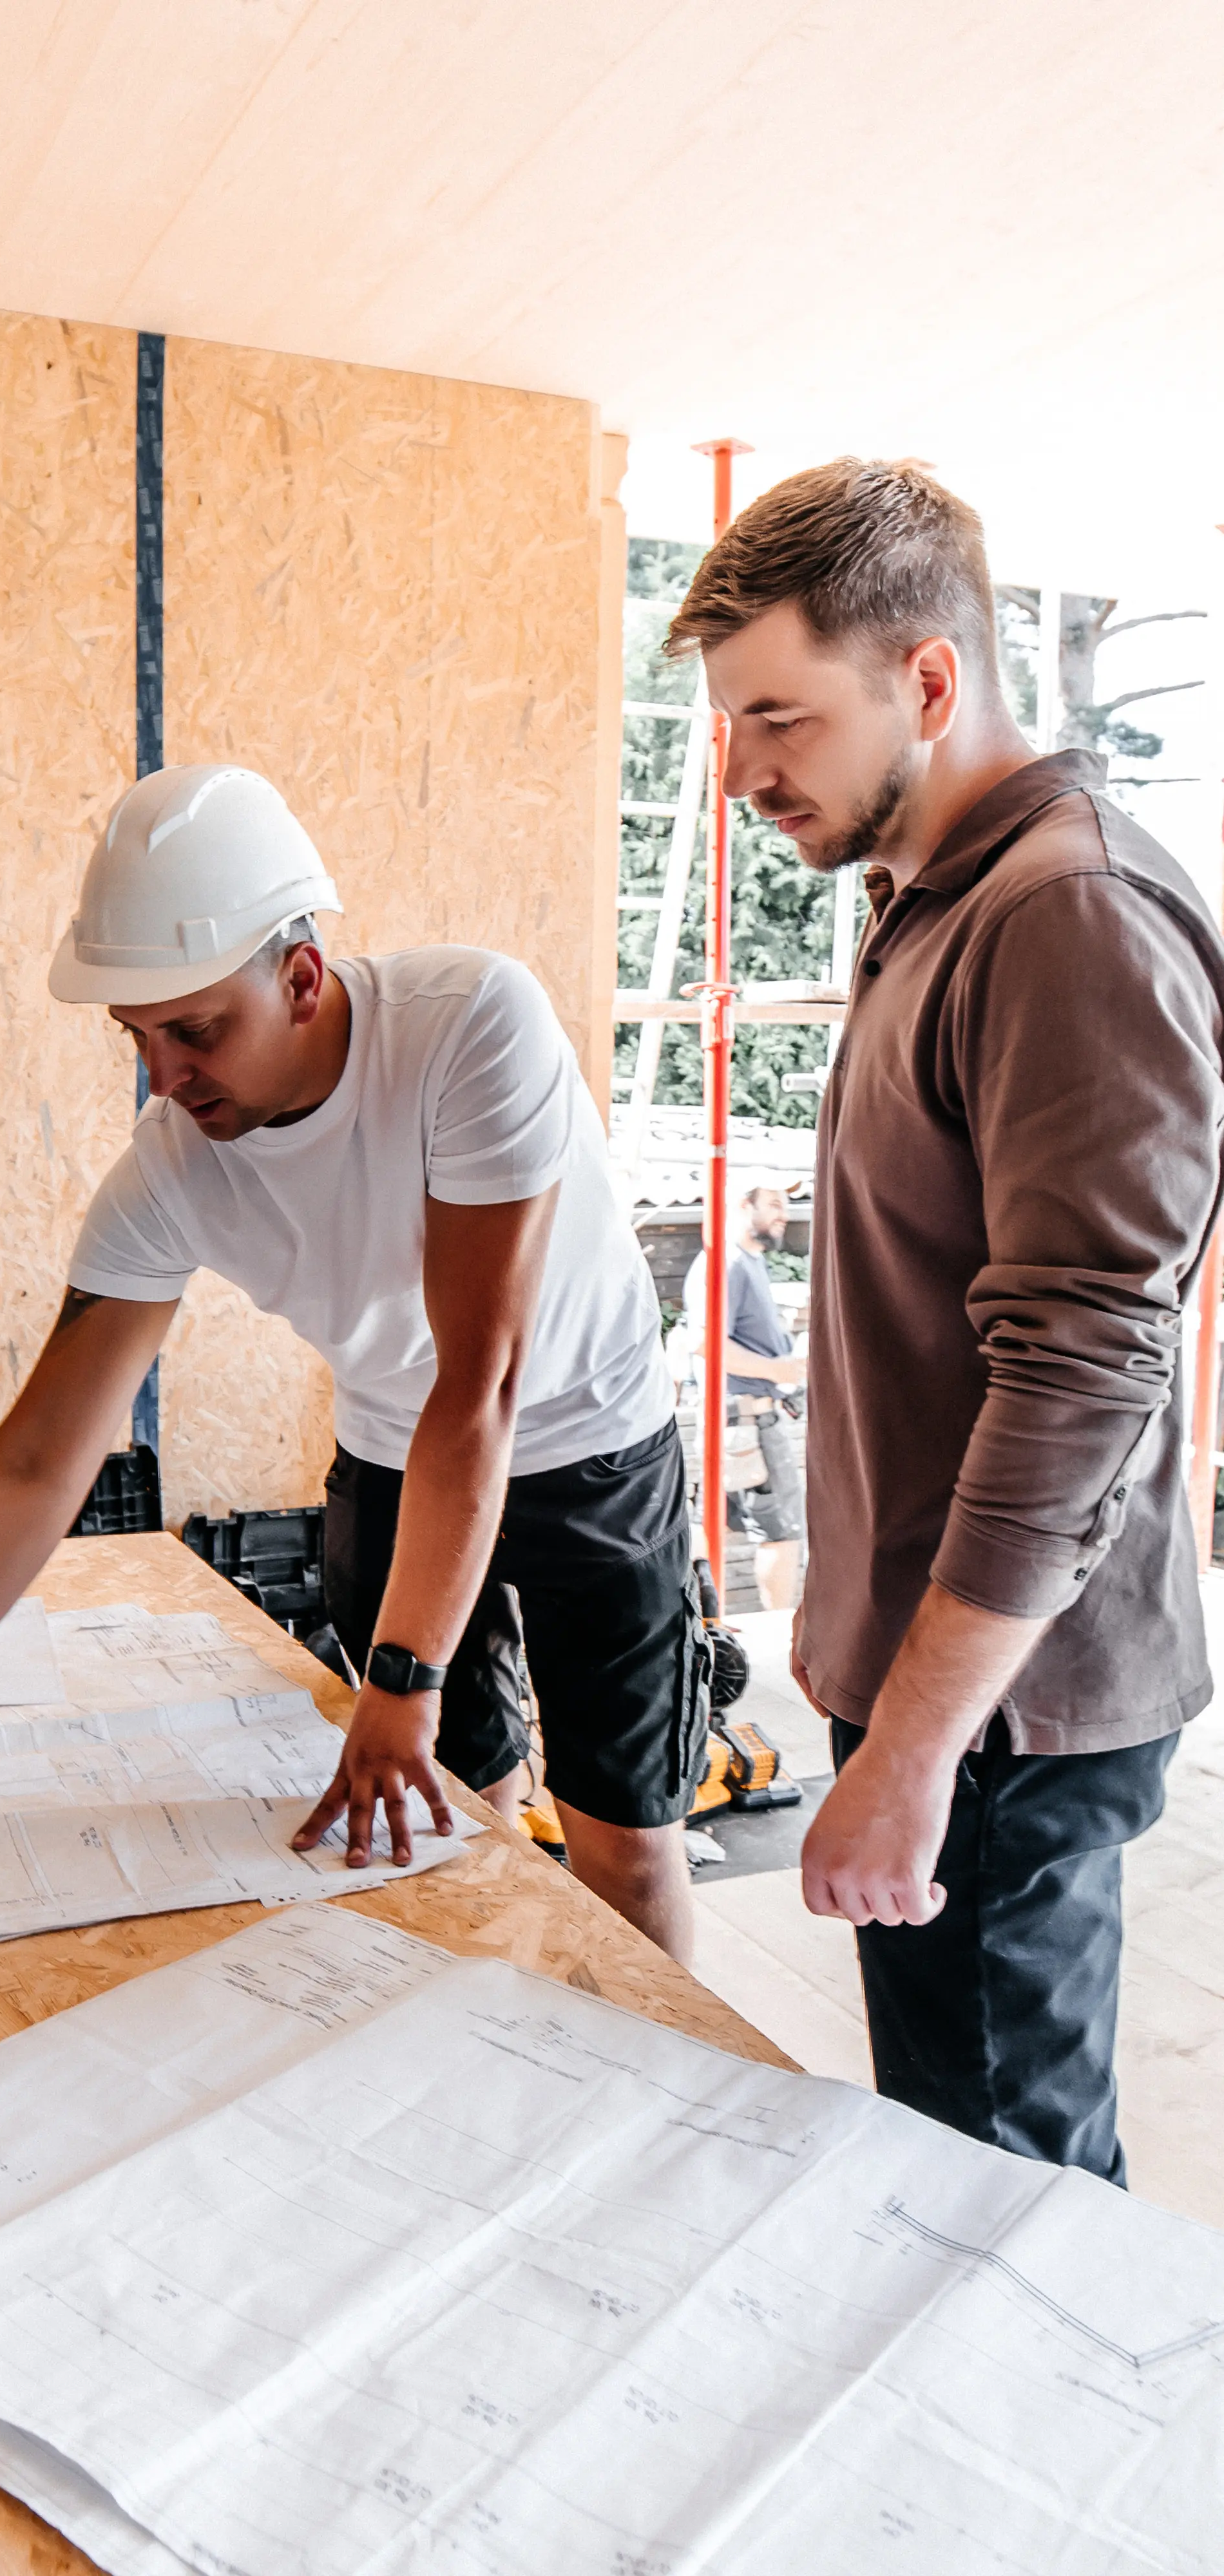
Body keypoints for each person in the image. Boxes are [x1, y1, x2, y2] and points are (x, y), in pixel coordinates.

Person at [0, 765, 712, 1961]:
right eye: (138, 1038)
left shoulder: (473, 1026)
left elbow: (483, 1386)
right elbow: (33, 1465)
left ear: (300, 977)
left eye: (196, 1030)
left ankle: (697, 2109)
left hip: (588, 1442)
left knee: (621, 1842)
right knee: (456, 1809)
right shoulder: (169, 1171)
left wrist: (401, 1683)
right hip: (389, 1453)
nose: (165, 1076)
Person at [664, 457, 1224, 2181]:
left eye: (778, 714)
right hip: (940, 1681)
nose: (743, 771)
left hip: (995, 1707)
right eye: (727, 723)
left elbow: (1078, 1377)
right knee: (958, 2148)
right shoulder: (940, 901)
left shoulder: (1062, 917)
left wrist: (911, 1754)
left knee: (1005, 2189)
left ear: (925, 678)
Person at [682, 1183, 806, 1608]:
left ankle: (693, 1624)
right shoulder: (728, 1263)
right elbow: (703, 1341)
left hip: (737, 1422)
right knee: (782, 1531)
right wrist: (779, 1370)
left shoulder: (742, 1262)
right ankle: (778, 1633)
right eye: (773, 1203)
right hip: (748, 1423)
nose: (784, 1213)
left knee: (712, 1525)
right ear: (741, 1204)